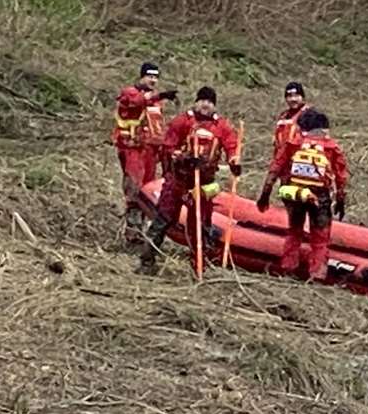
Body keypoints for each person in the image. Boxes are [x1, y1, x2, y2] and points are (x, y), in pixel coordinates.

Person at [140, 86, 241, 275]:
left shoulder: (222, 126)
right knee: (163, 219)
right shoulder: (183, 121)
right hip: (179, 179)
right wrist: (184, 157)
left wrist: (234, 162)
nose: (206, 105)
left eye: (210, 102)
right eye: (202, 100)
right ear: (196, 102)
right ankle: (147, 260)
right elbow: (169, 146)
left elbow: (231, 146)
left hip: (203, 183)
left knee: (200, 224)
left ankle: (199, 264)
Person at [257, 107, 347, 282]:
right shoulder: (331, 147)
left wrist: (265, 193)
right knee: (320, 237)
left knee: (294, 231)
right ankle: (317, 274)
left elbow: (276, 167)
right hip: (320, 197)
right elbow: (341, 176)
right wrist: (340, 199)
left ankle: (288, 267)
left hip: (296, 194)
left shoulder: (293, 144)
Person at [112, 61, 177, 244]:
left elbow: (159, 127)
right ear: (141, 76)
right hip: (133, 149)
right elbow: (135, 103)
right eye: (150, 76)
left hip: (151, 151)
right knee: (134, 189)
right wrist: (159, 96)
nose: (153, 80)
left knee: (148, 191)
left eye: (156, 77)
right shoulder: (130, 93)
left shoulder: (156, 102)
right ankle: (132, 233)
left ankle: (144, 233)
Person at [273, 81, 309, 160]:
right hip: (283, 163)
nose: (293, 99)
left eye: (296, 95)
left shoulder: (311, 115)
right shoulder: (283, 117)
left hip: (303, 161)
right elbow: (277, 144)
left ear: (302, 97)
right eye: (289, 96)